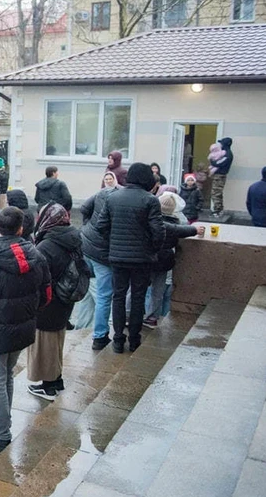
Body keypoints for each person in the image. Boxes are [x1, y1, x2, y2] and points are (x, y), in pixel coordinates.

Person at [0, 207, 51, 451]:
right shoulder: (37, 256)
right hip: (22, 328)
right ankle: (2, 420)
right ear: (21, 228)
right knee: (7, 375)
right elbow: (46, 294)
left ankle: (1, 432)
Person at [92, 163, 165, 353]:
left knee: (118, 296)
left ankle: (117, 339)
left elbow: (101, 226)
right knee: (138, 298)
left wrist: (114, 243)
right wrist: (152, 249)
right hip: (142, 259)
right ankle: (134, 339)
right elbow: (158, 232)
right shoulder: (150, 200)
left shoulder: (113, 197)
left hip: (117, 257)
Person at [27, 203, 79, 401]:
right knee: (57, 341)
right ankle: (56, 379)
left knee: (46, 344)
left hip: (50, 301)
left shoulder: (47, 245)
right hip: (65, 298)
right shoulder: (71, 236)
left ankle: (48, 386)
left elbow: (38, 276)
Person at [145, 193, 202, 329]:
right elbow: (178, 232)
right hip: (165, 260)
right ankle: (152, 318)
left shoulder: (151, 220)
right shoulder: (177, 223)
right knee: (158, 291)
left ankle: (129, 314)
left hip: (147, 258)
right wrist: (194, 229)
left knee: (136, 288)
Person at [79, 173, 120, 350]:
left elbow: (83, 208)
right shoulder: (117, 199)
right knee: (104, 296)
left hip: (87, 245)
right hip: (102, 254)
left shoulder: (102, 194)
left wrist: (88, 226)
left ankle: (82, 326)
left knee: (87, 290)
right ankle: (99, 335)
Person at [209, 137, 234, 219]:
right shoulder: (225, 153)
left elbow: (218, 163)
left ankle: (218, 211)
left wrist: (212, 160)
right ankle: (218, 210)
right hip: (219, 176)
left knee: (216, 194)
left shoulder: (227, 154)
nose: (220, 145)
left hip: (220, 176)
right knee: (217, 193)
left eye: (222, 143)